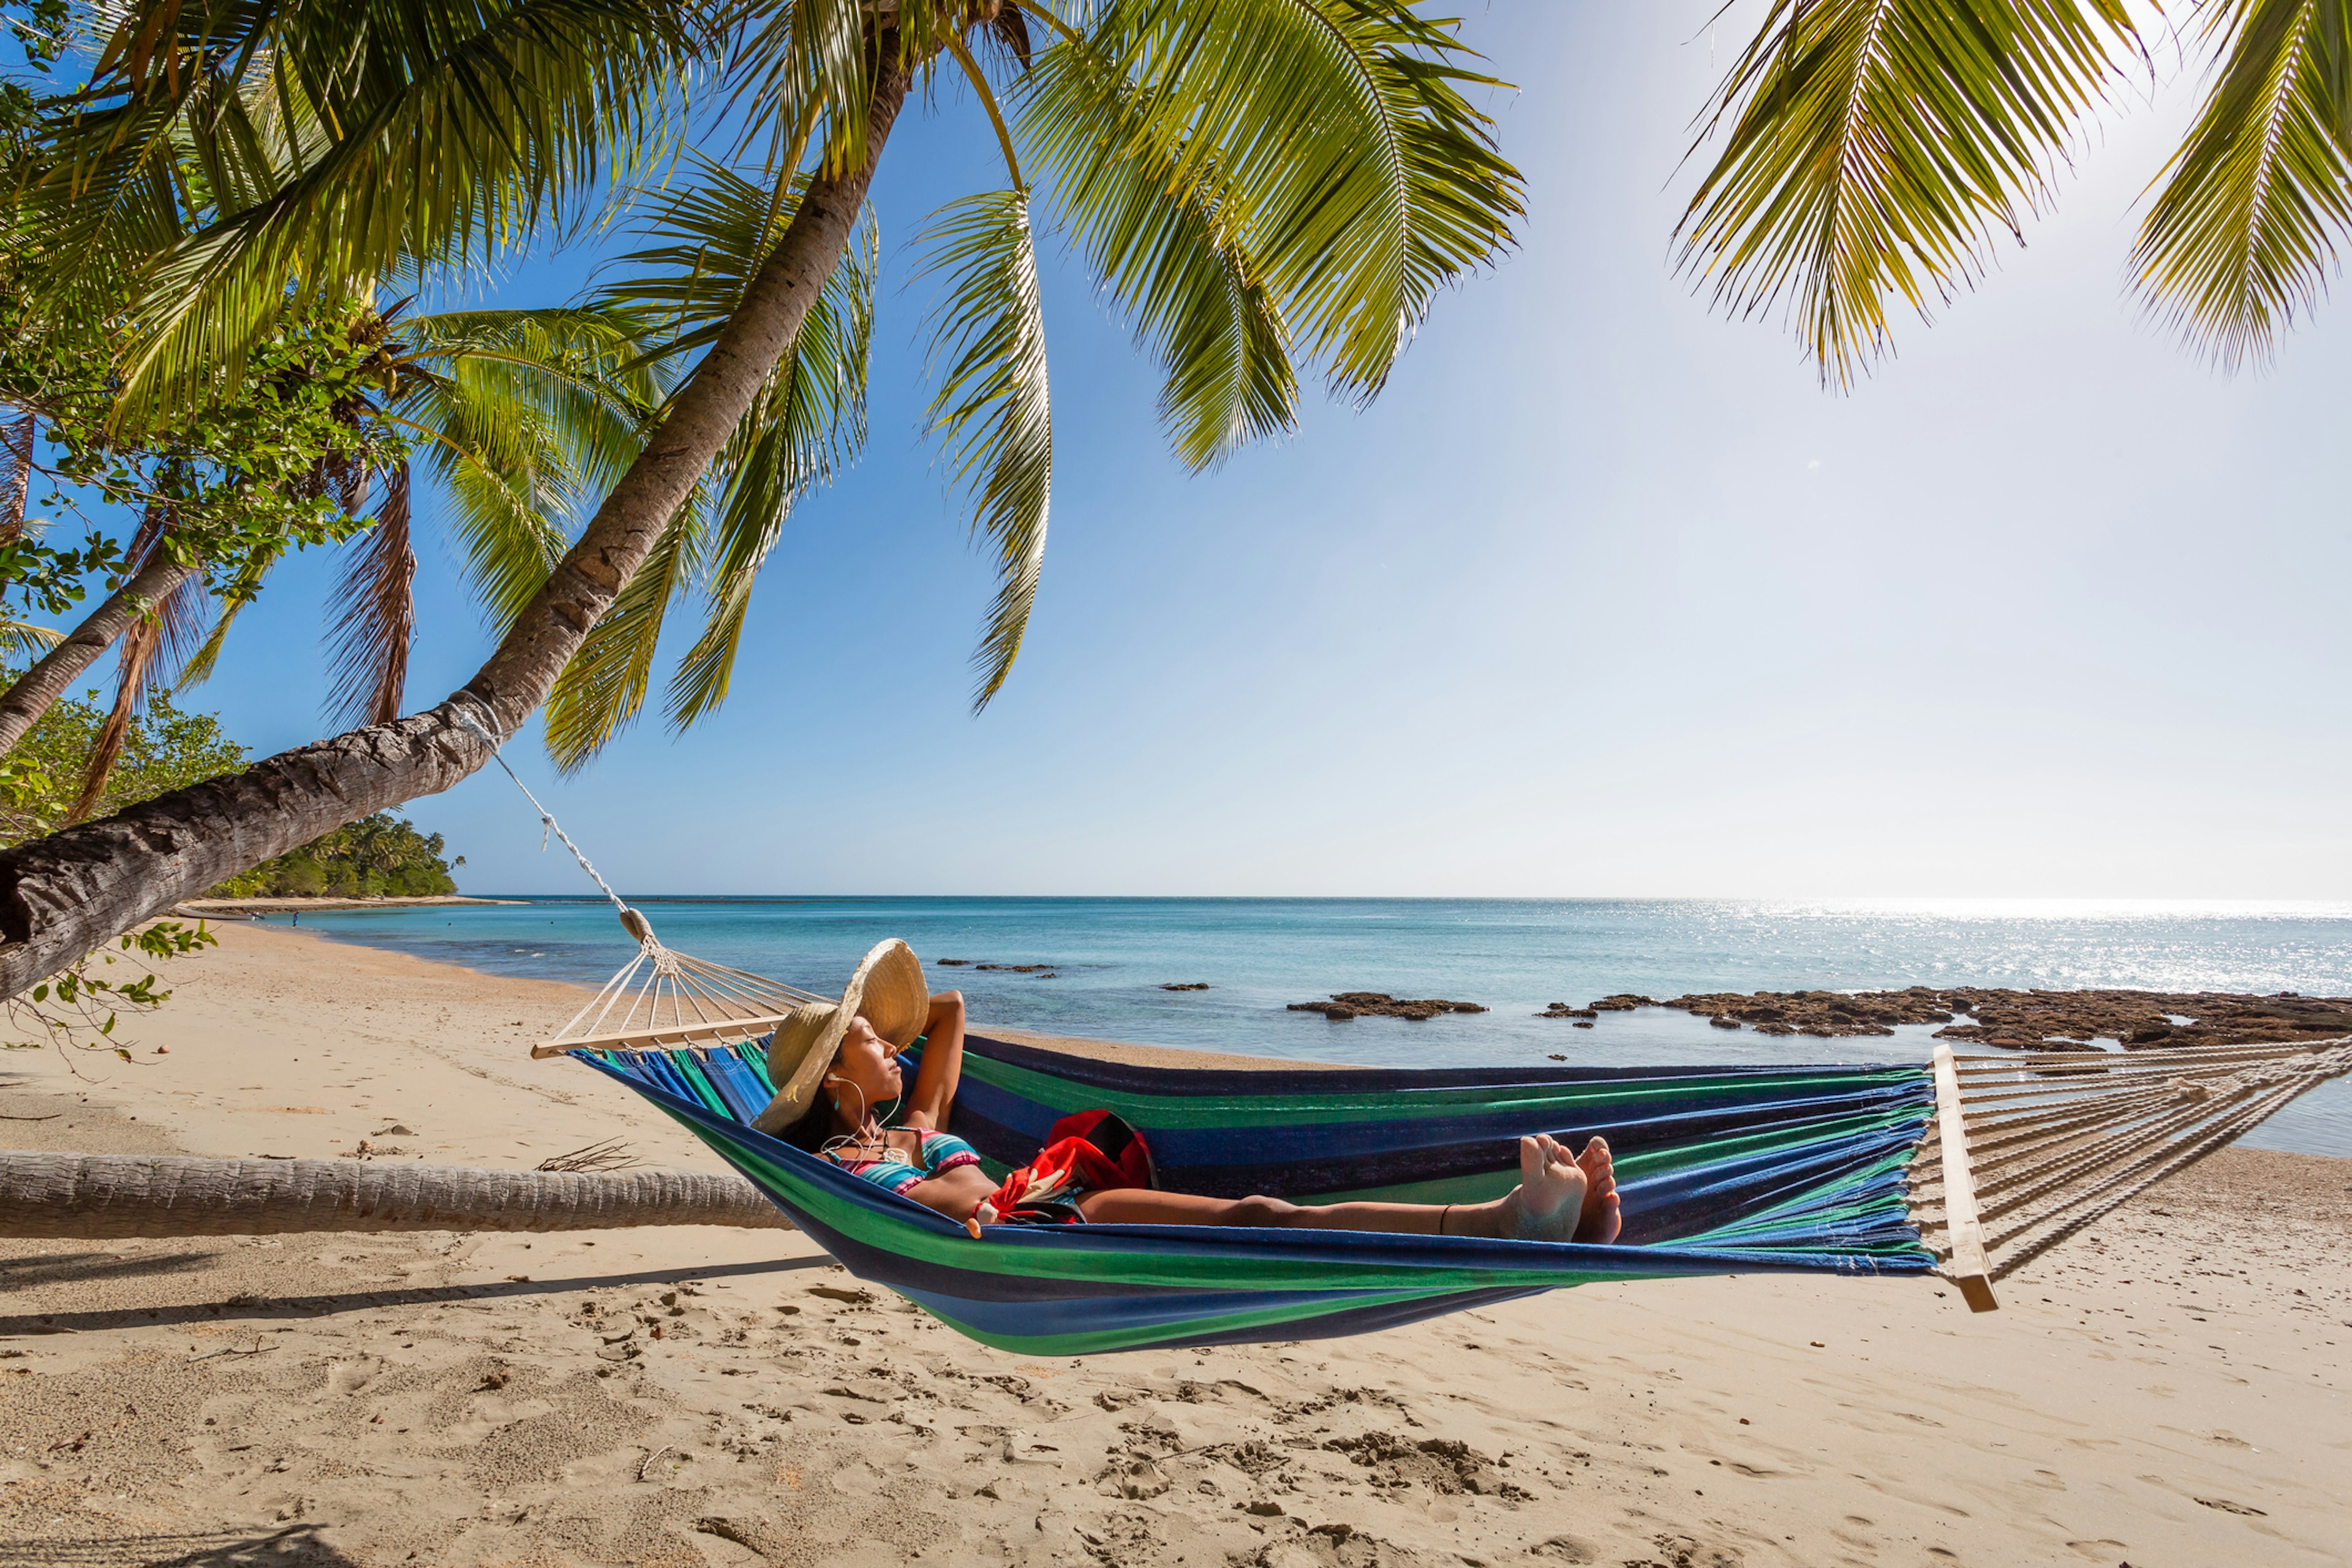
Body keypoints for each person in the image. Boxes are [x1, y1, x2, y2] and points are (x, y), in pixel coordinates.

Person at [752, 941, 1622, 1244]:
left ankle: (1537, 1222)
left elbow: (952, 1012)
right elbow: (922, 1217)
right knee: (1260, 1217)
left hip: (1046, 1208)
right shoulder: (836, 1173)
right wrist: (862, 1047)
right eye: (871, 1040)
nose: (893, 1046)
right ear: (831, 1078)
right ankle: (1504, 1221)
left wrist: (878, 1033)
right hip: (1019, 1240)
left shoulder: (920, 1123)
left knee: (1262, 1213)